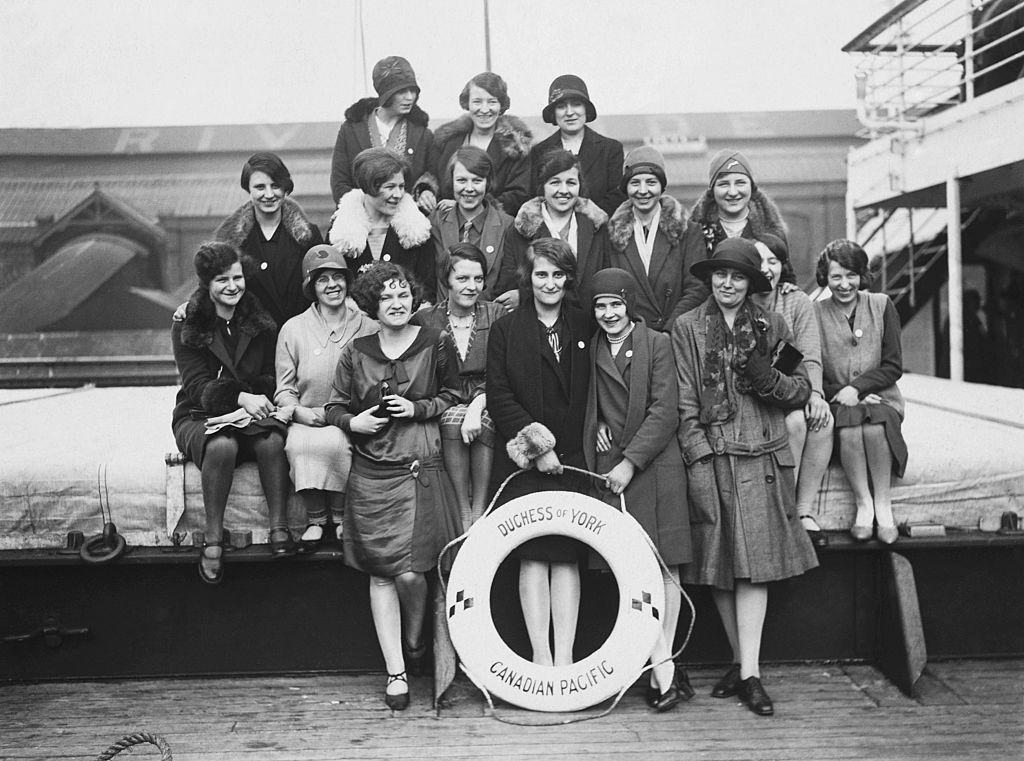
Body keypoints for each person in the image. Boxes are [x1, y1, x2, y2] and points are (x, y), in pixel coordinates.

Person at [672, 237, 818, 716]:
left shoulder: (772, 326)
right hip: (713, 456)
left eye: (738, 276)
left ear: (752, 282)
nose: (728, 283)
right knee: (720, 566)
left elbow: (799, 389)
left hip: (762, 456)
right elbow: (686, 400)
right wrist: (697, 456)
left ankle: (750, 672)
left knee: (755, 566)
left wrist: (764, 375)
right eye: (721, 274)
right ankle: (740, 663)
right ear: (710, 279)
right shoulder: (688, 328)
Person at [324, 262, 461, 710]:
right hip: (372, 475)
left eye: (404, 294)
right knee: (381, 575)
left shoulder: (436, 343)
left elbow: (454, 396)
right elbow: (333, 407)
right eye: (387, 297)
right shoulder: (355, 351)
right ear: (372, 306)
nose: (398, 303)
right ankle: (396, 671)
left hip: (421, 470)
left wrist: (420, 409)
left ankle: (417, 636)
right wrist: (353, 421)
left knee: (411, 572)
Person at [582, 267, 693, 712]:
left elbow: (666, 411)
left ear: (629, 305)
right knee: (631, 568)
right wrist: (598, 427)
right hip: (613, 468)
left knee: (665, 566)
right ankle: (661, 667)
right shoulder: (589, 349)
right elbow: (587, 402)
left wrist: (631, 461)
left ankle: (662, 666)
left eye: (615, 304)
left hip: (654, 465)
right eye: (600, 306)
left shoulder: (659, 344)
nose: (609, 313)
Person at [487, 238, 591, 667]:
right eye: (541, 274)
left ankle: (565, 658)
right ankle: (541, 656)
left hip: (575, 458)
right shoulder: (506, 329)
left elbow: (598, 387)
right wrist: (538, 447)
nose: (549, 282)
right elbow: (499, 395)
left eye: (557, 274)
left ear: (568, 278)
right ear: (528, 278)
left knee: (566, 555)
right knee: (532, 554)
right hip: (523, 463)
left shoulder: (584, 324)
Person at [171, 242, 296, 585]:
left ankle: (279, 528)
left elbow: (272, 371)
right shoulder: (189, 324)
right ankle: (213, 541)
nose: (232, 286)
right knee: (222, 446)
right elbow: (196, 384)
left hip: (252, 409)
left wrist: (257, 395)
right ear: (206, 285)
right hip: (199, 414)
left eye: (237, 277)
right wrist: (240, 397)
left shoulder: (258, 320)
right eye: (222, 280)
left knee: (272, 440)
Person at [274, 245, 379, 547]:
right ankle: (316, 519)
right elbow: (284, 387)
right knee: (299, 444)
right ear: (311, 286)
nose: (332, 285)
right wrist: (296, 411)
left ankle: (341, 516)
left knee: (336, 441)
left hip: (350, 416)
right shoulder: (293, 329)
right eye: (322, 280)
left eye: (338, 277)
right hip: (307, 417)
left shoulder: (367, 326)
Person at [812, 239, 908, 544]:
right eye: (836, 276)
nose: (844, 284)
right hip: (840, 401)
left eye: (851, 275)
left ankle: (884, 505)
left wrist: (859, 387)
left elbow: (893, 366)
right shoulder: (814, 313)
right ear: (825, 277)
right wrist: (845, 392)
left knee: (875, 427)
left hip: (881, 398)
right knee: (851, 428)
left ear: (862, 275)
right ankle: (864, 505)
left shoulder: (881, 304)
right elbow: (812, 369)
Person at [411, 244, 504, 531]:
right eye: (462, 279)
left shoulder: (496, 314)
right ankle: (462, 513)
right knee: (452, 420)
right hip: (444, 399)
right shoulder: (426, 319)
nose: (472, 286)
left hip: (489, 396)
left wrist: (477, 405)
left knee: (485, 422)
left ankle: (480, 511)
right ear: (446, 280)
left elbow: (504, 372)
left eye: (478, 279)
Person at [752, 234, 832, 549]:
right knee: (794, 423)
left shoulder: (796, 301)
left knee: (822, 421)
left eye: (773, 260)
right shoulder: (741, 299)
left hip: (793, 386)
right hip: (759, 392)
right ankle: (783, 511)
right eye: (759, 260)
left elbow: (809, 354)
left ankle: (802, 511)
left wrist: (816, 395)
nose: (767, 268)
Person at [211, 152, 324, 330]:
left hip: (301, 338)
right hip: (251, 343)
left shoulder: (309, 237)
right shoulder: (229, 243)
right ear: (248, 189)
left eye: (276, 186)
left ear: (285, 188)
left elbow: (323, 286)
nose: (269, 194)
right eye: (260, 187)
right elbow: (212, 286)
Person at [605, 146, 708, 331]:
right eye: (635, 183)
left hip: (675, 335)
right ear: (626, 187)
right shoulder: (612, 234)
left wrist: (668, 332)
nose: (643, 191)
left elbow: (697, 289)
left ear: (662, 186)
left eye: (651, 182)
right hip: (630, 336)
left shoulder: (688, 231)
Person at [494, 149, 608, 312]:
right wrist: (525, 296)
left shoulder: (596, 226)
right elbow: (508, 283)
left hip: (588, 324)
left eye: (571, 183)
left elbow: (605, 279)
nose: (563, 190)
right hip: (537, 321)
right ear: (542, 186)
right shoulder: (521, 229)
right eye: (555, 182)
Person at [330, 56, 438, 214]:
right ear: (386, 94)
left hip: (407, 220)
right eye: (401, 91)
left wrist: (426, 191)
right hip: (361, 218)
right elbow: (340, 181)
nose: (409, 97)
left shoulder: (423, 134)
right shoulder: (351, 130)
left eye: (412, 90)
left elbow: (431, 174)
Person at [329, 148, 438, 303]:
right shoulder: (341, 230)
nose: (398, 194)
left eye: (401, 186)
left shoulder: (417, 229)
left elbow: (426, 288)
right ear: (368, 186)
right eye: (390, 187)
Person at [681, 149, 792, 290]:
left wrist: (788, 287)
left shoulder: (771, 229)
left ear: (751, 187)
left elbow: (787, 277)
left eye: (740, 183)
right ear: (712, 189)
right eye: (723, 184)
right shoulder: (695, 232)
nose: (733, 192)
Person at [433, 72, 531, 216]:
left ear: (501, 105)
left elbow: (518, 196)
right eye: (477, 102)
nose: (484, 110)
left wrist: (465, 207)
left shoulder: (516, 147)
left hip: (496, 227)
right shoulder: (450, 142)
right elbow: (438, 182)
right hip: (448, 227)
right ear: (467, 103)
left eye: (492, 102)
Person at [530, 74, 624, 216]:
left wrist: (583, 222)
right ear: (554, 113)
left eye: (576, 104)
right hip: (553, 232)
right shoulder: (539, 152)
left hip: (599, 231)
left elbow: (616, 197)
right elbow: (535, 198)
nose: (569, 112)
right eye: (561, 106)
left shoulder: (610, 149)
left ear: (586, 108)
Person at [429, 146, 513, 302]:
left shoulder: (507, 225)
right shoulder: (437, 220)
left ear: (488, 182)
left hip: (488, 319)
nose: (469, 188)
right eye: (461, 180)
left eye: (477, 181)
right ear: (451, 181)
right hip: (442, 318)